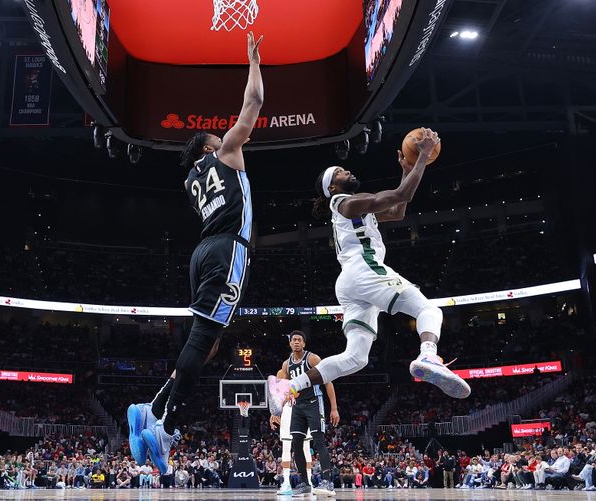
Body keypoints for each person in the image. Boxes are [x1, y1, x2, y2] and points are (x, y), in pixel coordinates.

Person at [127, 31, 265, 474]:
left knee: (206, 341)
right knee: (204, 340)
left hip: (202, 252)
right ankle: (166, 428)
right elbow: (254, 104)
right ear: (212, 146)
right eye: (217, 137)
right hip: (228, 250)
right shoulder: (226, 151)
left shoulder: (191, 182)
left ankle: (151, 408)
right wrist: (254, 61)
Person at [268, 128, 470, 412]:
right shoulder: (346, 203)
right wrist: (422, 156)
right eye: (339, 171)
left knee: (355, 358)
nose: (346, 170)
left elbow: (399, 209)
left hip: (351, 282)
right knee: (429, 311)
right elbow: (403, 193)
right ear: (332, 188)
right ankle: (427, 355)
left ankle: (288, 386)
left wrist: (407, 169)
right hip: (365, 270)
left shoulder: (353, 208)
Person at [269, 331, 339, 497]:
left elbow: (328, 382)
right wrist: (276, 411)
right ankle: (304, 484)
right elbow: (285, 390)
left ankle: (327, 482)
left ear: (304, 344)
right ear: (290, 343)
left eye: (299, 340)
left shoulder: (312, 359)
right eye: (294, 340)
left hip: (314, 403)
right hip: (298, 407)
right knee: (296, 444)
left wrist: (334, 408)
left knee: (319, 441)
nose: (296, 342)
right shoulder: (287, 364)